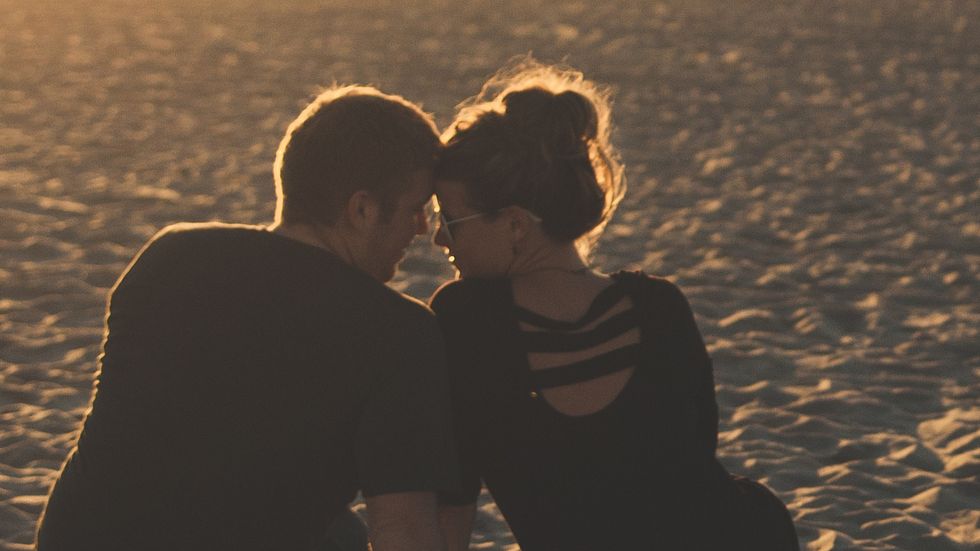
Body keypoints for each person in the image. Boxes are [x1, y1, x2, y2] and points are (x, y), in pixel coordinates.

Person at [35, 85, 458, 551]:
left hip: (76, 538)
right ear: (361, 209)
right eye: (417, 209)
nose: (423, 228)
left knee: (339, 532)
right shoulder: (398, 331)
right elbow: (403, 529)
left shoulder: (171, 255)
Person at [429, 60, 799, 550]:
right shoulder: (659, 307)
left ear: (515, 224)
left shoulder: (466, 319)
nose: (438, 238)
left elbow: (450, 509)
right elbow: (691, 473)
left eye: (449, 220)